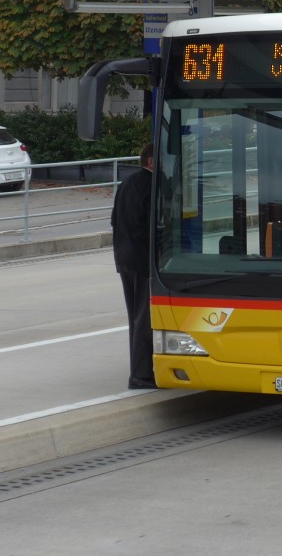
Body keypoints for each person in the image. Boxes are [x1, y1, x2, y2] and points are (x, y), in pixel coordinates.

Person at [111, 143, 156, 389]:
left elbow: (114, 219)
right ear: (150, 160)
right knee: (144, 317)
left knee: (135, 316)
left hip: (124, 257)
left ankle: (140, 369)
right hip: (142, 259)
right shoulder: (151, 186)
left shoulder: (127, 184)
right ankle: (141, 374)